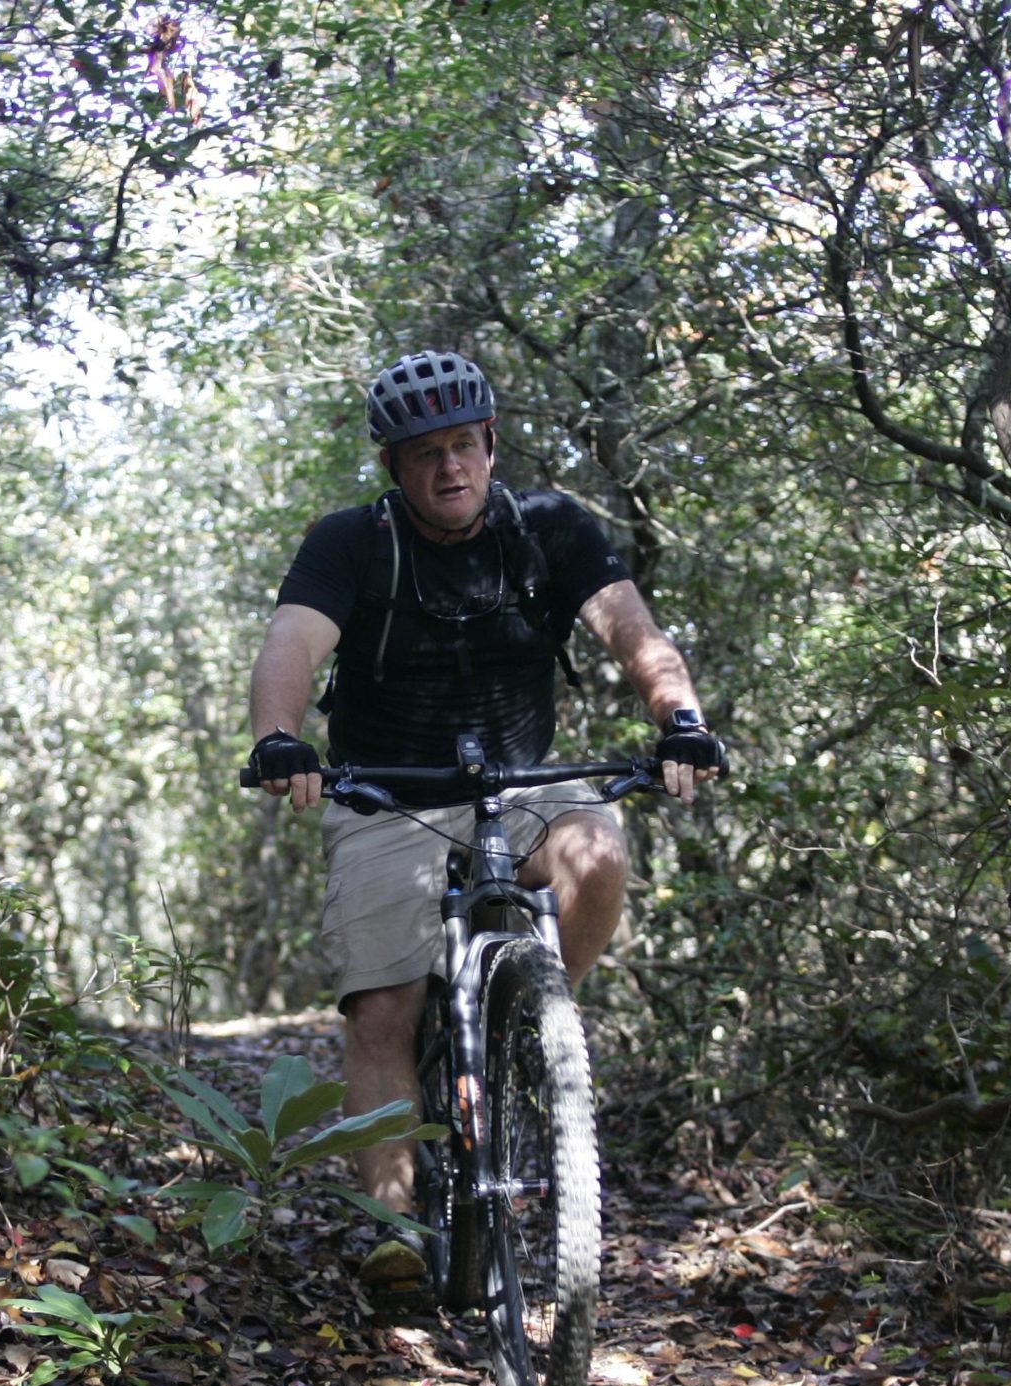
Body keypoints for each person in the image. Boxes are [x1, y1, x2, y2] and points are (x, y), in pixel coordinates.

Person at [245, 349, 724, 1310]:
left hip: (523, 782)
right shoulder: (353, 542)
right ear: (394, 466)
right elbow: (293, 641)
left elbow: (631, 628)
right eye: (425, 453)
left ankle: (529, 1026)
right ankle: (394, 1231)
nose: (449, 468)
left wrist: (679, 716)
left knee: (599, 850)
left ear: (491, 444)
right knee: (383, 1011)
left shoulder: (546, 528)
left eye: (464, 445)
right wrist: (280, 738)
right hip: (388, 790)